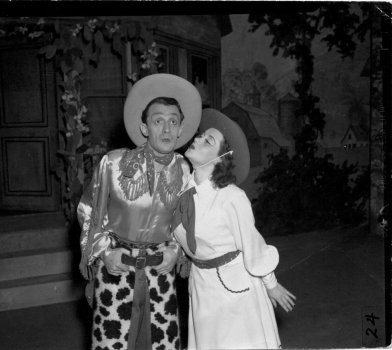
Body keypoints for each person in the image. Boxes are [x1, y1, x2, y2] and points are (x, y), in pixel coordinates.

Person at [77, 73, 202, 350]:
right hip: (116, 271)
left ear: (181, 128)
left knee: (163, 345)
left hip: (160, 271)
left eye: (173, 121)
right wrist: (104, 254)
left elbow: (189, 222)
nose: (167, 130)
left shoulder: (184, 169)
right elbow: (89, 212)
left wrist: (177, 252)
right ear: (144, 128)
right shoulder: (113, 163)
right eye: (158, 121)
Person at [172, 108, 296, 349]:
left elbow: (252, 245)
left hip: (235, 289)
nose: (197, 138)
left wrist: (271, 284)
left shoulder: (231, 197)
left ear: (219, 159)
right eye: (201, 134)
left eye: (207, 140)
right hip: (200, 285)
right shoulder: (181, 192)